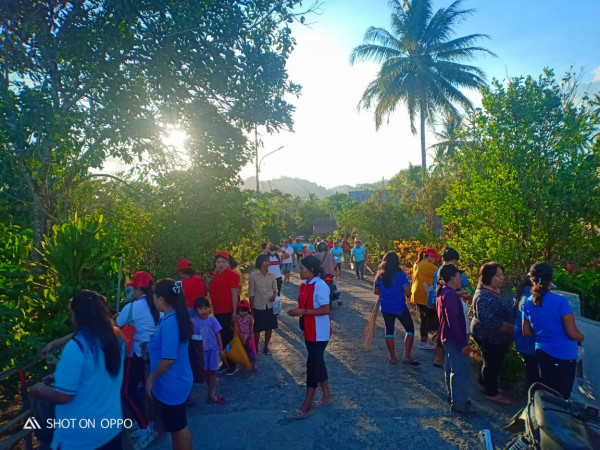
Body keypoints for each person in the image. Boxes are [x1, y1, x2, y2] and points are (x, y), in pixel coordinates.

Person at [30, 290, 125, 450]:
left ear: (77, 315)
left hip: (82, 438)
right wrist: (61, 376)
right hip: (112, 429)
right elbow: (97, 373)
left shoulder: (76, 347)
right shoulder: (116, 339)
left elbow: (63, 396)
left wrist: (40, 390)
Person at [522, 263, 585, 399]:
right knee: (562, 396)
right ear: (550, 279)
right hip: (564, 355)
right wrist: (582, 336)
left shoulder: (527, 302)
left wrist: (544, 333)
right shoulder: (561, 301)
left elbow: (526, 331)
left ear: (532, 279)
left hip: (542, 353)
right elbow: (572, 333)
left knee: (547, 391)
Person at [146, 279, 193, 450]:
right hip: (177, 380)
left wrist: (151, 378)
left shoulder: (170, 323)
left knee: (179, 428)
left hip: (173, 383)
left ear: (161, 300)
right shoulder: (173, 317)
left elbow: (168, 360)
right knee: (176, 427)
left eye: (154, 296)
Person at [115, 271, 159, 448]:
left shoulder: (131, 308)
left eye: (134, 288)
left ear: (139, 289)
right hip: (155, 356)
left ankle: (145, 427)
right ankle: (146, 423)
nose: (133, 291)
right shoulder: (158, 303)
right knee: (149, 392)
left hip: (137, 357)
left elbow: (117, 324)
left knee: (126, 392)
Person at [287, 256, 332, 419]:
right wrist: (296, 310)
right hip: (309, 330)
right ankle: (326, 396)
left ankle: (306, 405)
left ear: (311, 270)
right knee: (318, 362)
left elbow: (326, 310)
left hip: (319, 332)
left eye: (302, 269)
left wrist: (303, 312)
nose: (299, 271)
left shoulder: (320, 286)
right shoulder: (305, 284)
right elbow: (305, 306)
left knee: (312, 365)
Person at [470, 262, 514, 405]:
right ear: (488, 276)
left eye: (502, 275)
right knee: (492, 362)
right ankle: (492, 393)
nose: (501, 278)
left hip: (499, 337)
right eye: (497, 275)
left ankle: (482, 383)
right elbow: (487, 319)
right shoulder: (482, 295)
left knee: (491, 360)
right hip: (487, 335)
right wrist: (508, 327)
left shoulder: (497, 290)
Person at [437, 265, 475, 416]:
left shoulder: (446, 292)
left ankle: (454, 396)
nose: (461, 278)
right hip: (456, 337)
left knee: (451, 367)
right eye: (459, 276)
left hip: (449, 336)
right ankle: (459, 403)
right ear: (452, 278)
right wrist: (462, 343)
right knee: (460, 370)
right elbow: (453, 320)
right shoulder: (450, 295)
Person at [374, 252, 418, 365]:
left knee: (389, 330)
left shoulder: (379, 275)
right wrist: (408, 295)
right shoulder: (402, 275)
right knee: (410, 330)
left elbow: (376, 292)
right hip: (400, 307)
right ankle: (406, 356)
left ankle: (392, 357)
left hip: (386, 307)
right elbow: (407, 291)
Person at [432, 248, 471, 368]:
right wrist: (465, 294)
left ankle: (439, 358)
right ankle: (444, 359)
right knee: (449, 324)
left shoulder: (438, 271)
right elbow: (468, 288)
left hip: (438, 301)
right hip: (449, 302)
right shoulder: (453, 272)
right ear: (454, 259)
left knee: (443, 326)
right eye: (456, 261)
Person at [208, 251, 241, 375]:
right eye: (218, 262)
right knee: (221, 338)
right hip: (218, 313)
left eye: (223, 262)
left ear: (228, 263)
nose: (221, 264)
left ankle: (232, 364)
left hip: (228, 312)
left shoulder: (232, 275)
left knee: (229, 338)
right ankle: (225, 362)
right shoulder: (215, 276)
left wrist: (234, 312)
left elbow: (234, 294)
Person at [192, 297, 226, 404]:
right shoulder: (193, 322)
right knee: (204, 372)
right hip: (200, 353)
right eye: (200, 308)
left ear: (209, 309)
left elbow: (218, 335)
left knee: (212, 371)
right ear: (196, 310)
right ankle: (204, 393)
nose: (203, 311)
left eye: (206, 308)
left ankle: (211, 393)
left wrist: (221, 350)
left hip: (213, 350)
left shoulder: (213, 320)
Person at [248, 254, 278, 355]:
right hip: (258, 305)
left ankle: (266, 347)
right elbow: (251, 292)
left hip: (270, 305)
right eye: (265, 261)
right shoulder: (253, 276)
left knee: (269, 327)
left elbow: (275, 290)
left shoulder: (272, 275)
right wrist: (251, 307)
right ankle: (255, 348)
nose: (267, 263)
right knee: (258, 328)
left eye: (268, 261)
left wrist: (274, 295)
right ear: (260, 262)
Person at [410, 248, 439, 350]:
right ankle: (423, 341)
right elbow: (440, 275)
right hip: (424, 295)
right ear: (430, 256)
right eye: (435, 258)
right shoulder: (430, 266)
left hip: (417, 294)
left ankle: (426, 339)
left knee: (424, 318)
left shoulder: (417, 264)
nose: (435, 261)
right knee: (425, 319)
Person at [513, 275, 538, 388]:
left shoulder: (518, 296)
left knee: (530, 368)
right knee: (534, 373)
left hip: (520, 340)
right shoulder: (533, 298)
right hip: (531, 343)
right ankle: (533, 395)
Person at [235, 299, 257, 372]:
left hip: (249, 336)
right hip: (241, 336)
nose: (243, 313)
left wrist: (250, 338)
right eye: (241, 311)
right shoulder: (237, 318)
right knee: (243, 351)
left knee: (252, 350)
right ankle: (245, 365)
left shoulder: (249, 317)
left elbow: (251, 328)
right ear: (238, 311)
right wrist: (242, 338)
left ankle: (254, 362)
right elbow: (237, 330)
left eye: (245, 311)